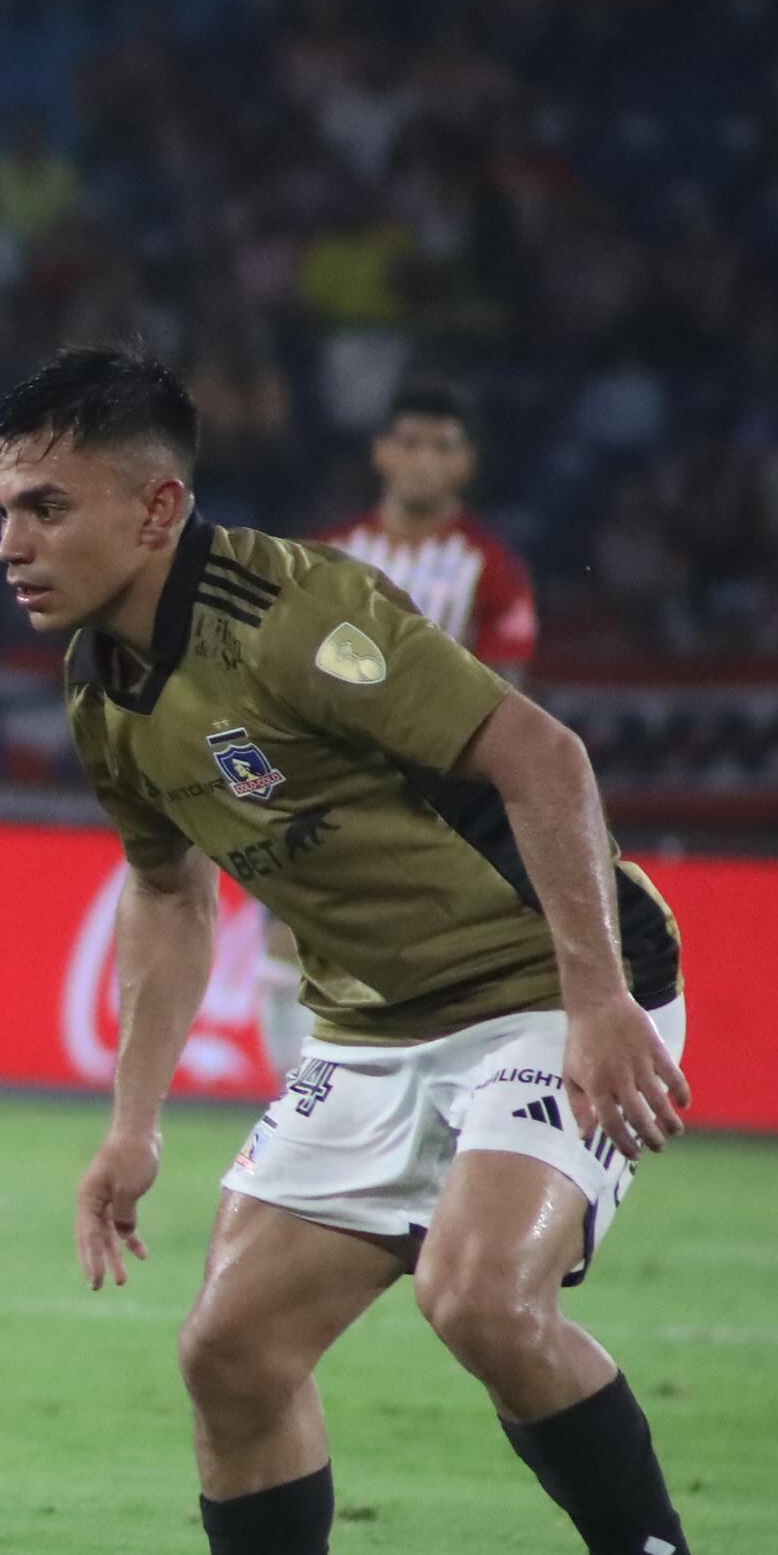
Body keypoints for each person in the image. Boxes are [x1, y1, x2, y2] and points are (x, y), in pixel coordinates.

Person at [0, 346, 742, 1555]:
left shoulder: (291, 611)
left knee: (480, 1295)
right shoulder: (98, 684)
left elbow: (545, 759)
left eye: (47, 508)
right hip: (373, 1023)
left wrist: (598, 1004)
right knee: (229, 1352)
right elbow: (167, 892)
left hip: (545, 984)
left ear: (156, 509)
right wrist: (132, 1126)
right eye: (4, 511)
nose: (12, 544)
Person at [250, 380, 541, 1068]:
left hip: (435, 800)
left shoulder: (492, 569)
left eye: (442, 447)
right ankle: (293, 1094)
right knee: (288, 943)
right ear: (381, 453)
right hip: (326, 783)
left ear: (466, 463)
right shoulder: (328, 554)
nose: (423, 461)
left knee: (422, 968)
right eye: (409, 443)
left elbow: (507, 695)